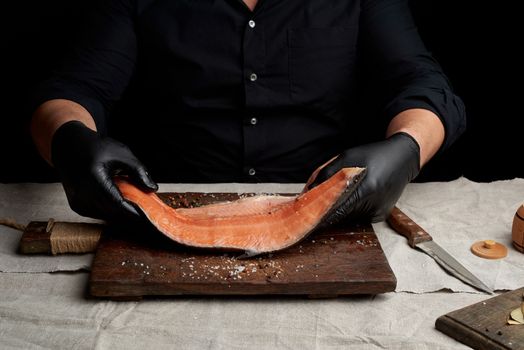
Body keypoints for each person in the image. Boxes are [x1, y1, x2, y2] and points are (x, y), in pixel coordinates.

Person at [30, 0, 465, 224]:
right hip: (170, 209)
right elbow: (73, 91)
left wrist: (406, 149)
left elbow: (423, 85)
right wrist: (70, 141)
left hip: (321, 214)